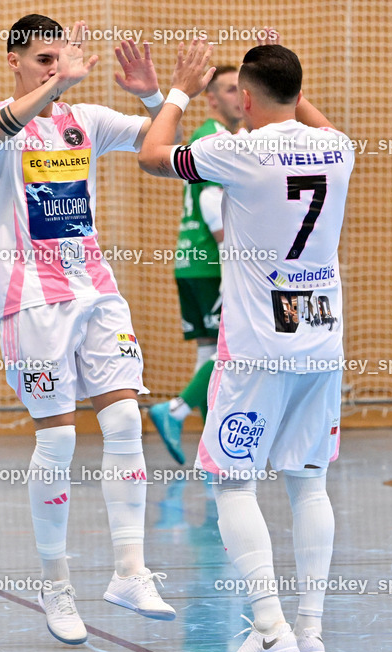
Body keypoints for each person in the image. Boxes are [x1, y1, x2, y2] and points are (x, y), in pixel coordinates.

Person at [139, 39, 354, 652]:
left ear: (248, 97)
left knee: (232, 482)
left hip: (259, 346)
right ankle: (309, 633)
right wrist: (282, 91)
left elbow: (154, 155)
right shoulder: (338, 149)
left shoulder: (235, 151)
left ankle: (268, 626)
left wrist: (176, 90)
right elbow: (309, 120)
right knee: (309, 483)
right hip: (322, 339)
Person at [0, 14, 177, 645]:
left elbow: (160, 143)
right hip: (33, 304)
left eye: (62, 59)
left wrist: (152, 94)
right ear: (15, 61)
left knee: (123, 421)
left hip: (95, 290)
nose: (55, 69)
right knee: (57, 442)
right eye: (43, 60)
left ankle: (130, 570)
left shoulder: (83, 122)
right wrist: (58, 85)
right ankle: (55, 583)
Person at [149, 65, 241, 465]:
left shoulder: (208, 137)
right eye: (230, 89)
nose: (239, 96)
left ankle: (210, 446)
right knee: (227, 352)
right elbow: (211, 204)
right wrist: (233, 266)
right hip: (212, 261)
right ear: (212, 98)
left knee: (209, 351)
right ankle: (175, 411)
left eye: (242, 88)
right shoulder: (216, 138)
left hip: (190, 260)